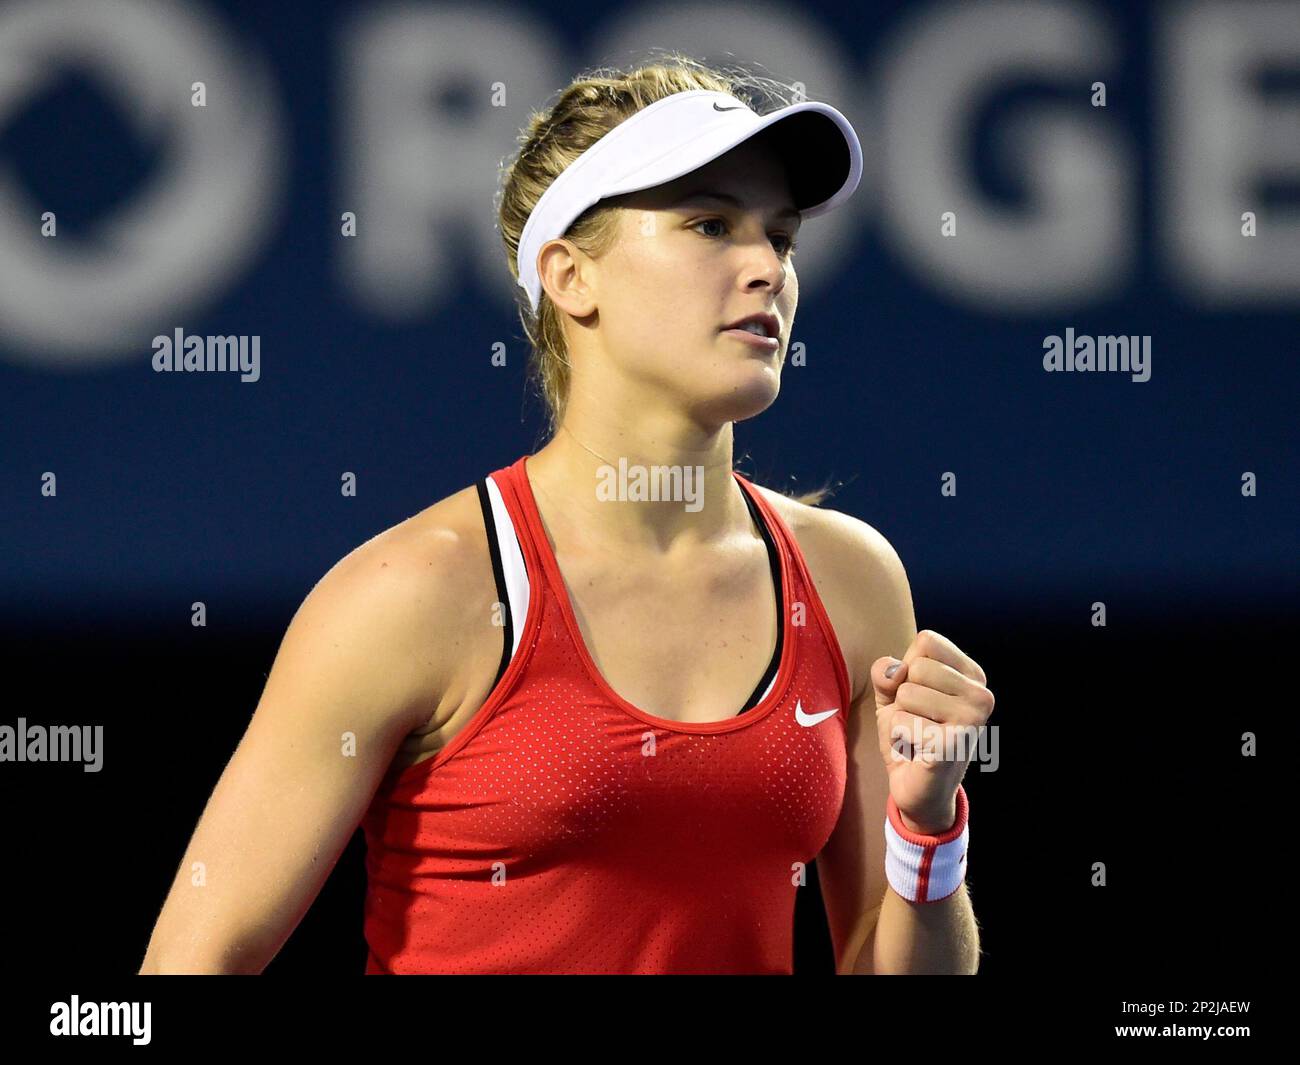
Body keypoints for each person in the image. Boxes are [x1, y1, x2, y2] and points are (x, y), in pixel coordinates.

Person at [138, 53, 993, 976]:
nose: (766, 270)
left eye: (780, 238)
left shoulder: (851, 581)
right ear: (570, 277)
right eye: (710, 225)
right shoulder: (414, 592)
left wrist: (928, 825)